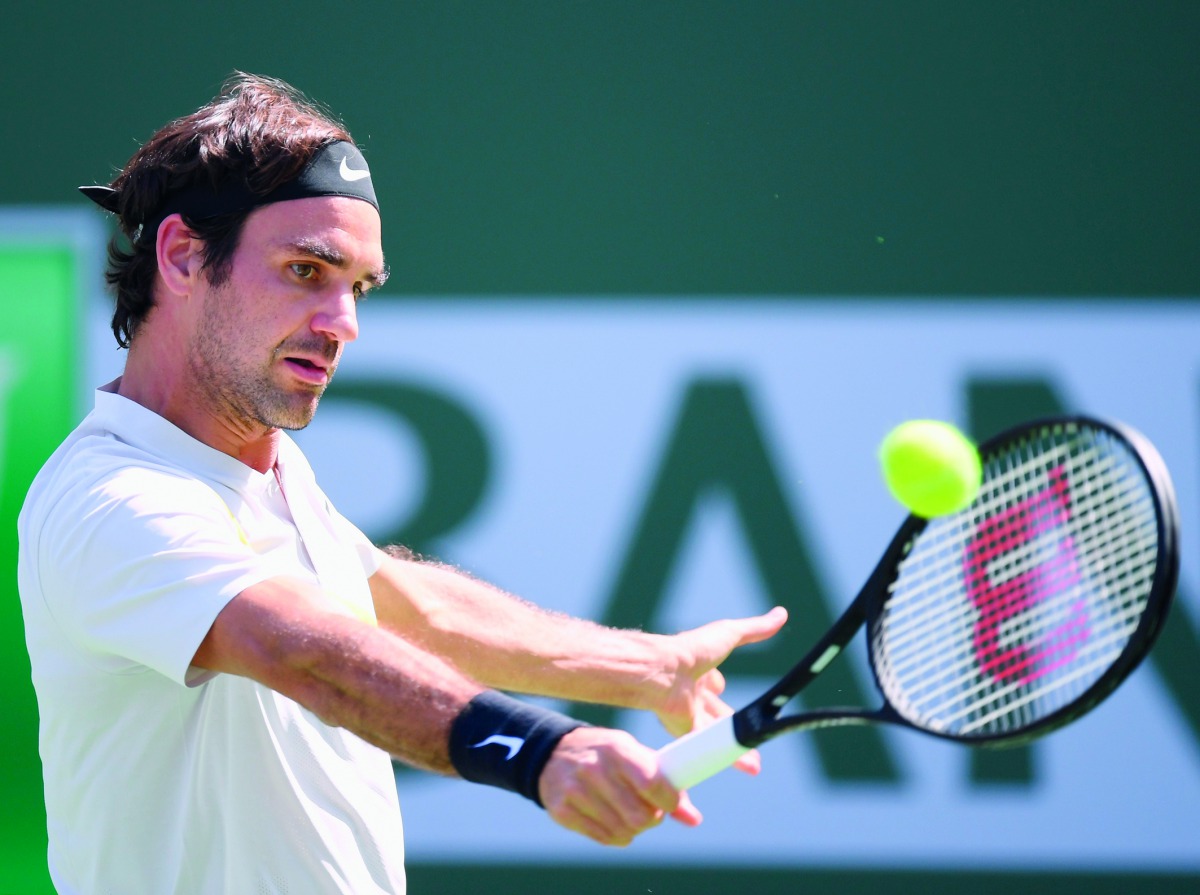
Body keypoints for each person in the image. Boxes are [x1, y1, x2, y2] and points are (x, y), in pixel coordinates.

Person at [16, 73, 787, 894]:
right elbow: (304, 650)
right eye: (305, 269)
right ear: (182, 256)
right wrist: (540, 750)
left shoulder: (264, 466)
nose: (343, 323)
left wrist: (641, 664)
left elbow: (396, 601)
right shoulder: (111, 500)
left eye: (357, 287)